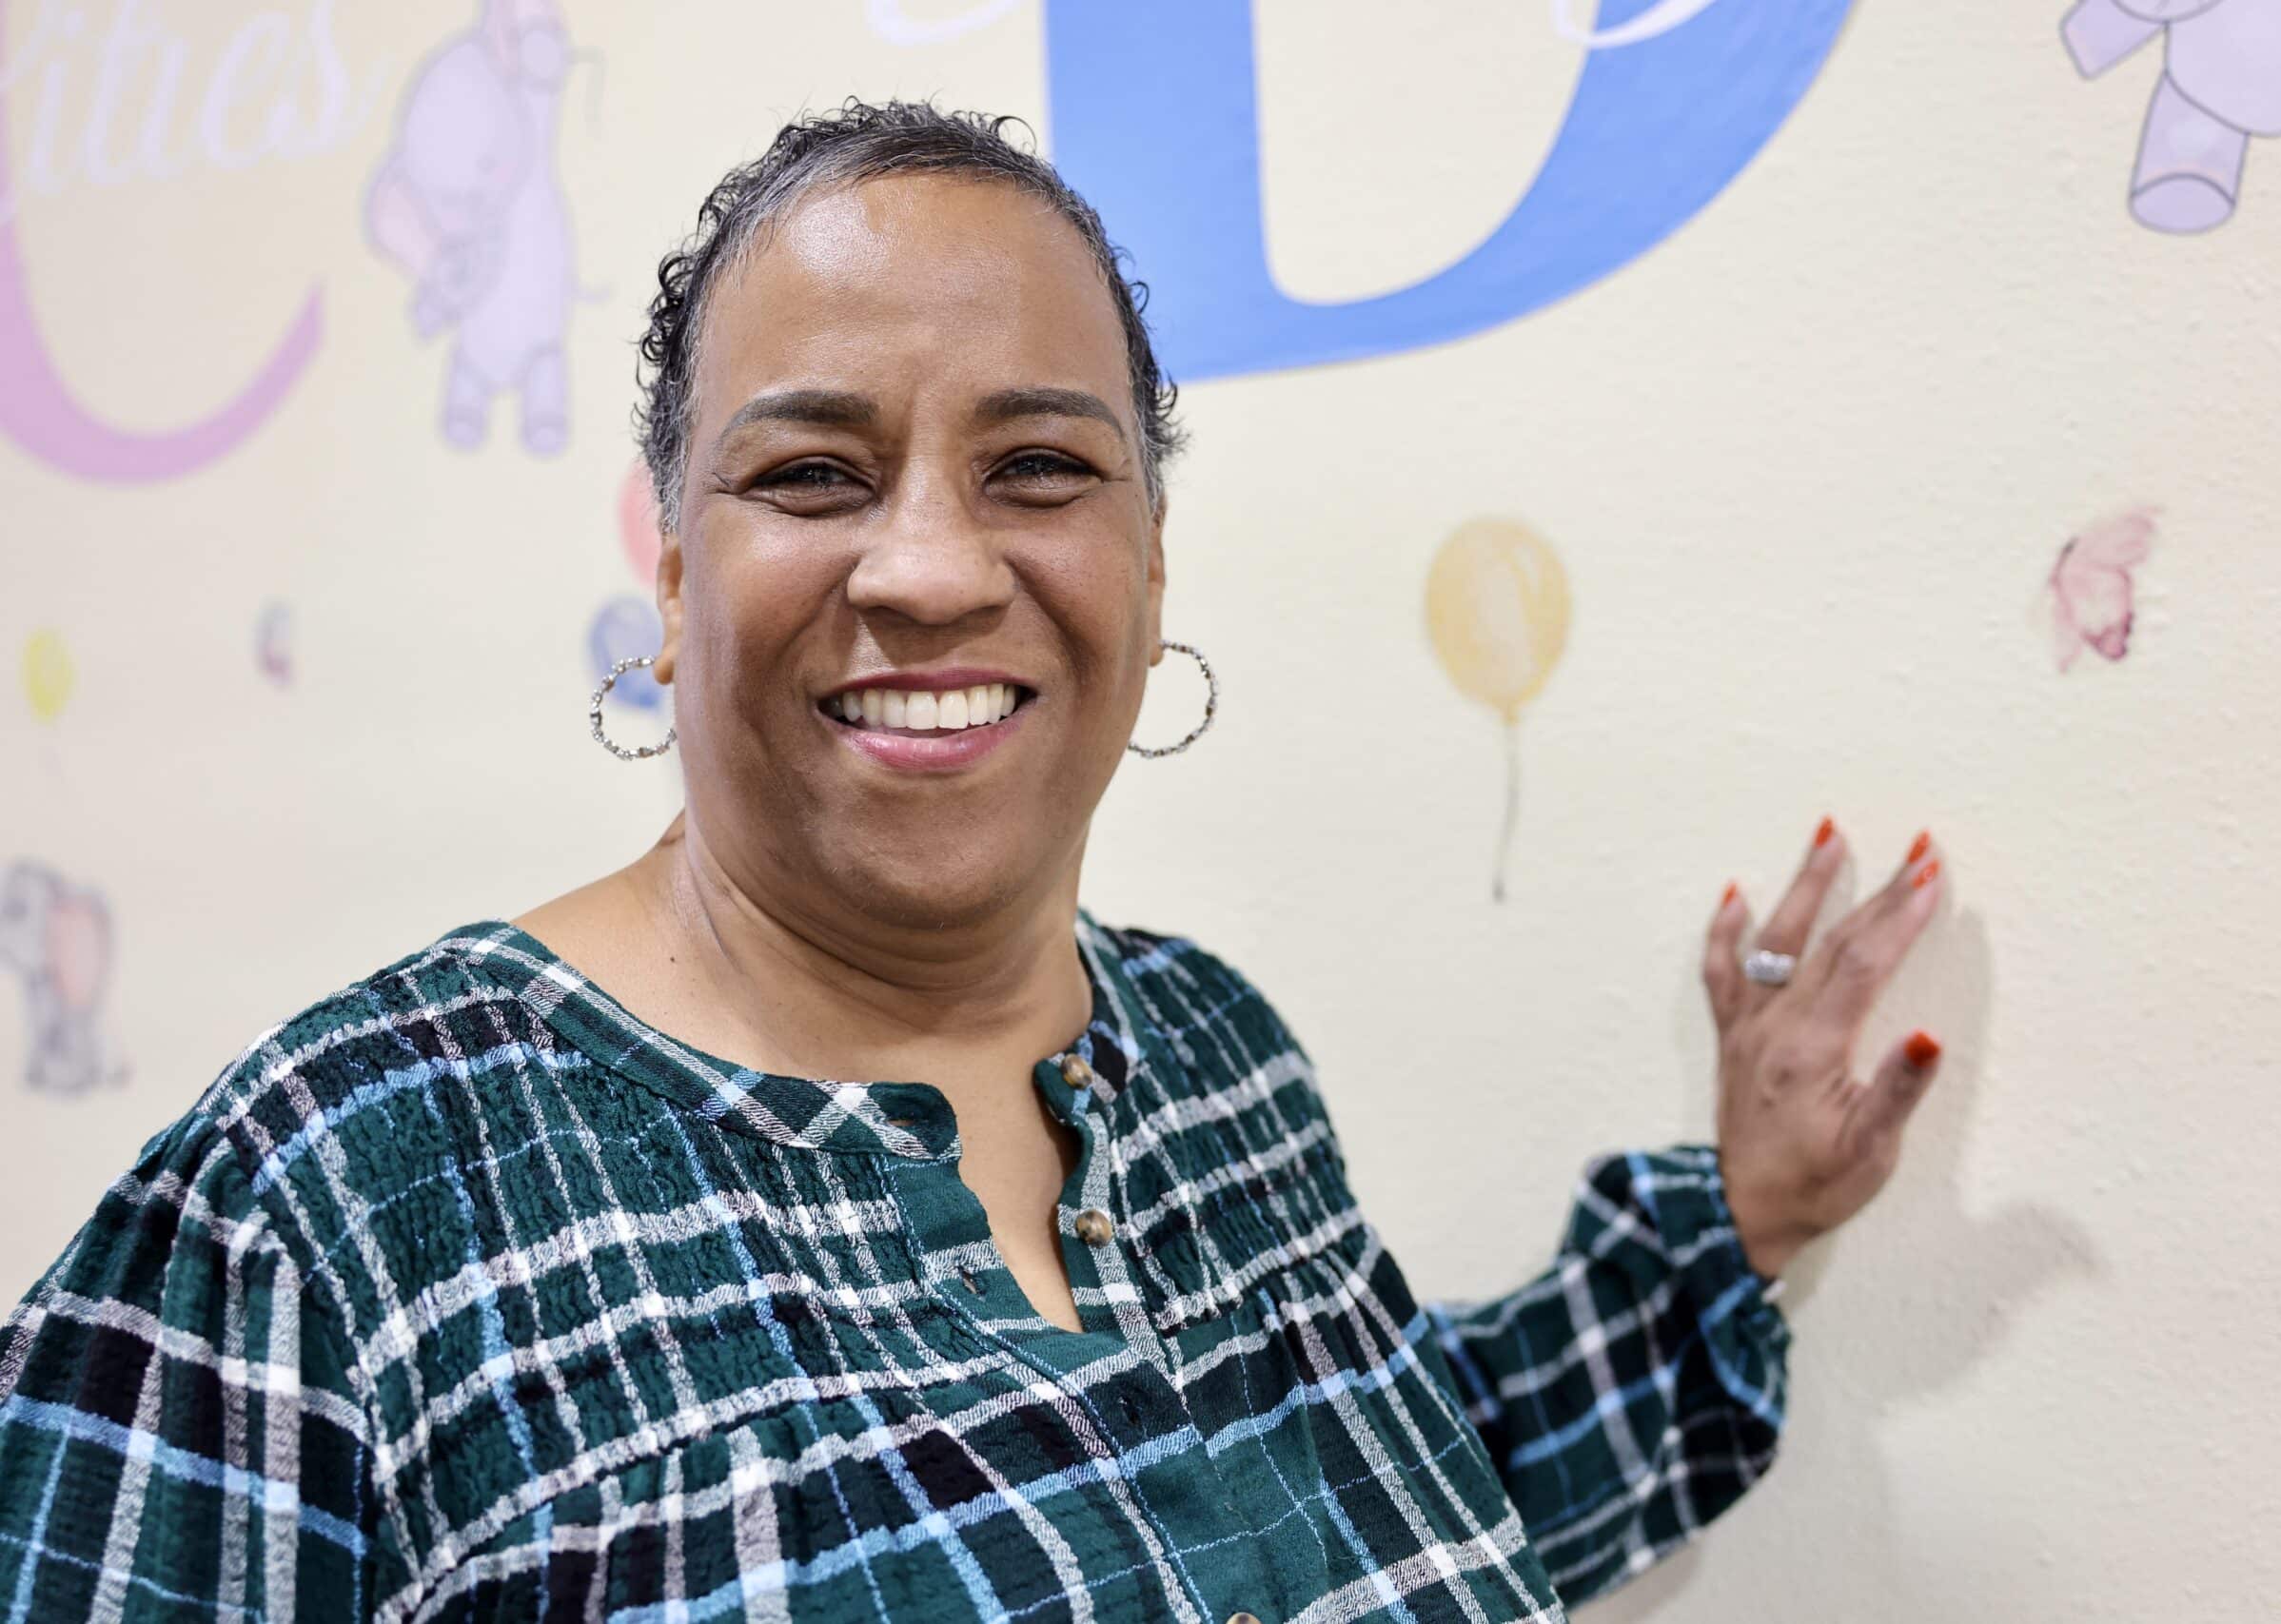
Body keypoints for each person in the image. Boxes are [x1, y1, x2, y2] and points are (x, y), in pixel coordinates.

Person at [0, 102, 1952, 1622]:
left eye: (1037, 468)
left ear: (1149, 562)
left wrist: (1734, 1216)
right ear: (672, 578)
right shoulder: (333, 1202)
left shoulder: (1209, 1055)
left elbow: (1382, 1486)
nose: (931, 567)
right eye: (811, 473)